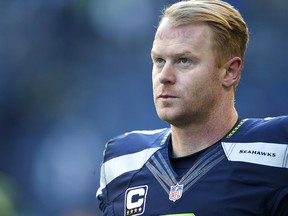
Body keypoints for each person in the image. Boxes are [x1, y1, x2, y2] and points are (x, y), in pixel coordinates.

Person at [96, 0, 288, 215]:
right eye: (159, 60)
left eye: (184, 61)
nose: (164, 76)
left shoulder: (278, 147)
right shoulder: (122, 161)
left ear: (229, 72)